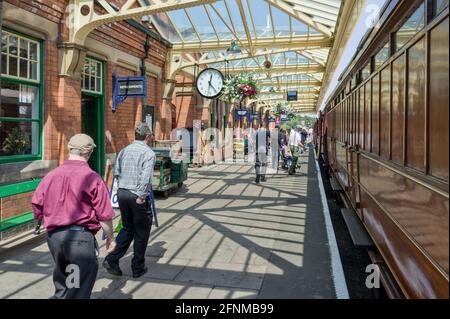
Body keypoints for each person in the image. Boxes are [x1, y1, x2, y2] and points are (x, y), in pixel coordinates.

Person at [31, 134, 116, 299]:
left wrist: (44, 220)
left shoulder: (50, 176)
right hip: (78, 240)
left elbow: (37, 203)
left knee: (64, 285)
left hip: (54, 238)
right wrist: (110, 239)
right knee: (78, 290)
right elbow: (104, 215)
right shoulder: (93, 178)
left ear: (70, 149)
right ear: (88, 153)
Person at [103, 123, 155, 278]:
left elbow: (117, 172)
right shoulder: (148, 153)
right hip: (136, 196)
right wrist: (141, 196)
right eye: (150, 136)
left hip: (122, 193)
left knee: (127, 228)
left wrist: (122, 189)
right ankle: (137, 267)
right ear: (147, 136)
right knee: (142, 232)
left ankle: (112, 259)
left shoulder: (124, 150)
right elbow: (146, 178)